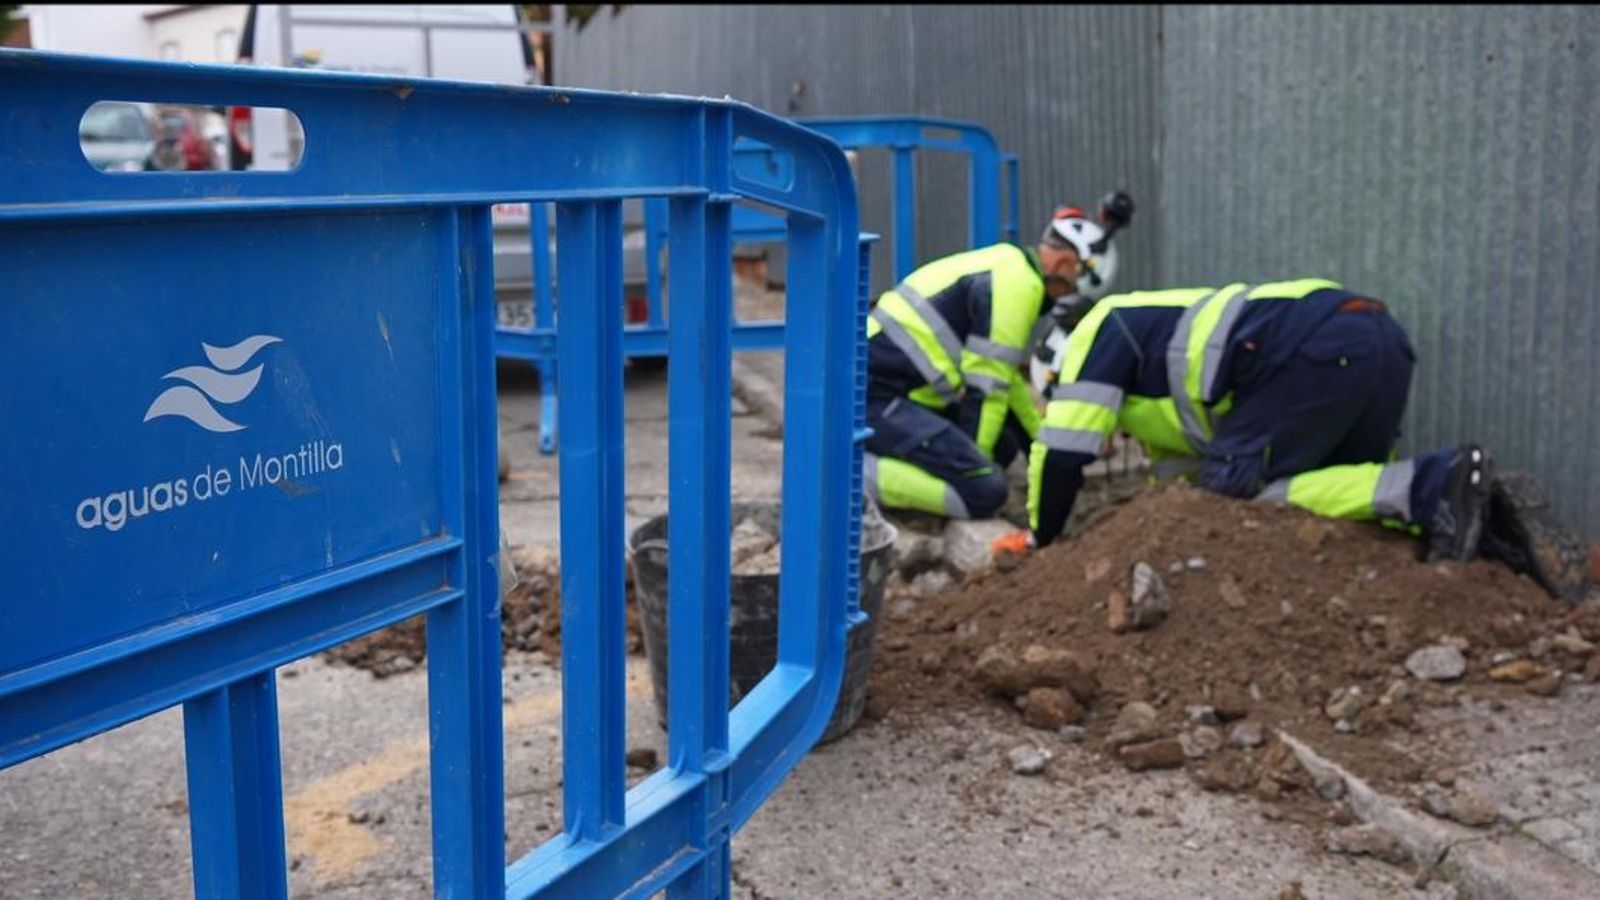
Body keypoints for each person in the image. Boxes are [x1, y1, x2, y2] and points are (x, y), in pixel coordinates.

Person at [1015, 277, 1585, 600]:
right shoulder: (1153, 369)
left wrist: (1042, 543)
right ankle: (1489, 535)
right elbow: (1182, 495)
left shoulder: (1097, 334)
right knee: (1350, 502)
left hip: (1311, 351)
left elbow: (1060, 454)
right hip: (1371, 341)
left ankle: (1437, 480)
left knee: (1241, 503)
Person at [864, 192, 1133, 519]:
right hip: (872, 396)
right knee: (984, 490)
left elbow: (1006, 382)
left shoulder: (1009, 267)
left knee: (1003, 447)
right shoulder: (1020, 287)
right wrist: (975, 463)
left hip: (884, 385)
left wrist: (1046, 439)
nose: (1065, 299)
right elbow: (987, 391)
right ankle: (858, 475)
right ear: (1064, 265)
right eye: (1072, 288)